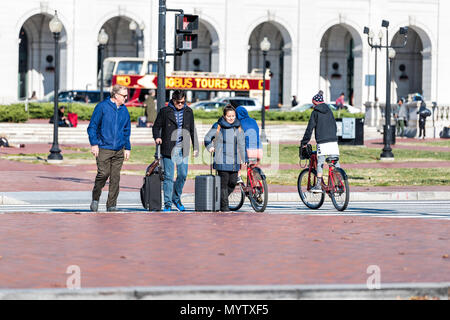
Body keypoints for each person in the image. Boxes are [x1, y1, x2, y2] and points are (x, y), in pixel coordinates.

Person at [153, 90, 199, 212]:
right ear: (173, 100)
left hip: (183, 147)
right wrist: (157, 137)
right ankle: (167, 203)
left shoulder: (189, 111)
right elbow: (156, 126)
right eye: (178, 102)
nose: (181, 105)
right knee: (168, 177)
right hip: (168, 147)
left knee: (183, 175)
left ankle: (176, 198)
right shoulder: (164, 111)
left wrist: (196, 147)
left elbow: (192, 129)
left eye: (183, 102)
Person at [87, 84, 131, 212]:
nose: (126, 98)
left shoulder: (124, 110)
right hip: (103, 148)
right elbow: (92, 127)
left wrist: (127, 147)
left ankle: (111, 205)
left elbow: (126, 130)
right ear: (116, 95)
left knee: (115, 177)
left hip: (119, 149)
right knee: (103, 173)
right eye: (124, 96)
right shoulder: (102, 107)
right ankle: (95, 198)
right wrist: (94, 144)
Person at [204, 105, 246, 212]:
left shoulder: (238, 126)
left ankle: (218, 200)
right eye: (229, 116)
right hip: (221, 159)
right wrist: (210, 147)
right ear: (224, 116)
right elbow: (207, 137)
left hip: (234, 161)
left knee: (232, 183)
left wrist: (244, 157)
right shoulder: (218, 126)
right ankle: (224, 207)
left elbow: (241, 142)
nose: (231, 118)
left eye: (233, 116)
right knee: (224, 183)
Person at [300, 91, 340, 193]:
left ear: (315, 103)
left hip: (322, 142)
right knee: (335, 162)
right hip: (333, 141)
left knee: (320, 163)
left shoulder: (315, 113)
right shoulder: (329, 111)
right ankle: (339, 183)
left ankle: (318, 185)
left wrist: (304, 142)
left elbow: (309, 129)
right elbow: (335, 126)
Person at [235, 105, 263, 183]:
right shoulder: (253, 121)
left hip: (248, 151)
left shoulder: (238, 123)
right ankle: (256, 187)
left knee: (236, 155)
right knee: (253, 166)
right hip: (259, 150)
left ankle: (238, 176)